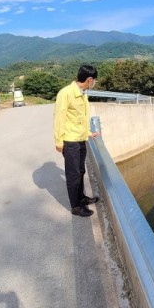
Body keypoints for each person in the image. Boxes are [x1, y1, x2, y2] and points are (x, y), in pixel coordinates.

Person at [53, 64, 101, 217]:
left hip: (80, 139)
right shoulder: (66, 93)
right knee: (73, 174)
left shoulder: (82, 92)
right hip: (70, 141)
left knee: (80, 171)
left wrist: (88, 132)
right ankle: (75, 206)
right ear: (89, 79)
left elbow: (81, 117)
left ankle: (81, 198)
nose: (94, 83)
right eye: (94, 81)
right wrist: (59, 141)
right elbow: (59, 119)